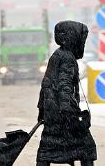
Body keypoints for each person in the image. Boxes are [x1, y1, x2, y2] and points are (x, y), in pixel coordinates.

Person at [36, 21, 97, 166]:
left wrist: (42, 110)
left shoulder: (57, 55)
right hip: (63, 113)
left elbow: (46, 83)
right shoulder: (68, 58)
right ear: (73, 38)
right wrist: (68, 110)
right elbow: (64, 85)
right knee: (86, 146)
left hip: (52, 113)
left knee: (48, 147)